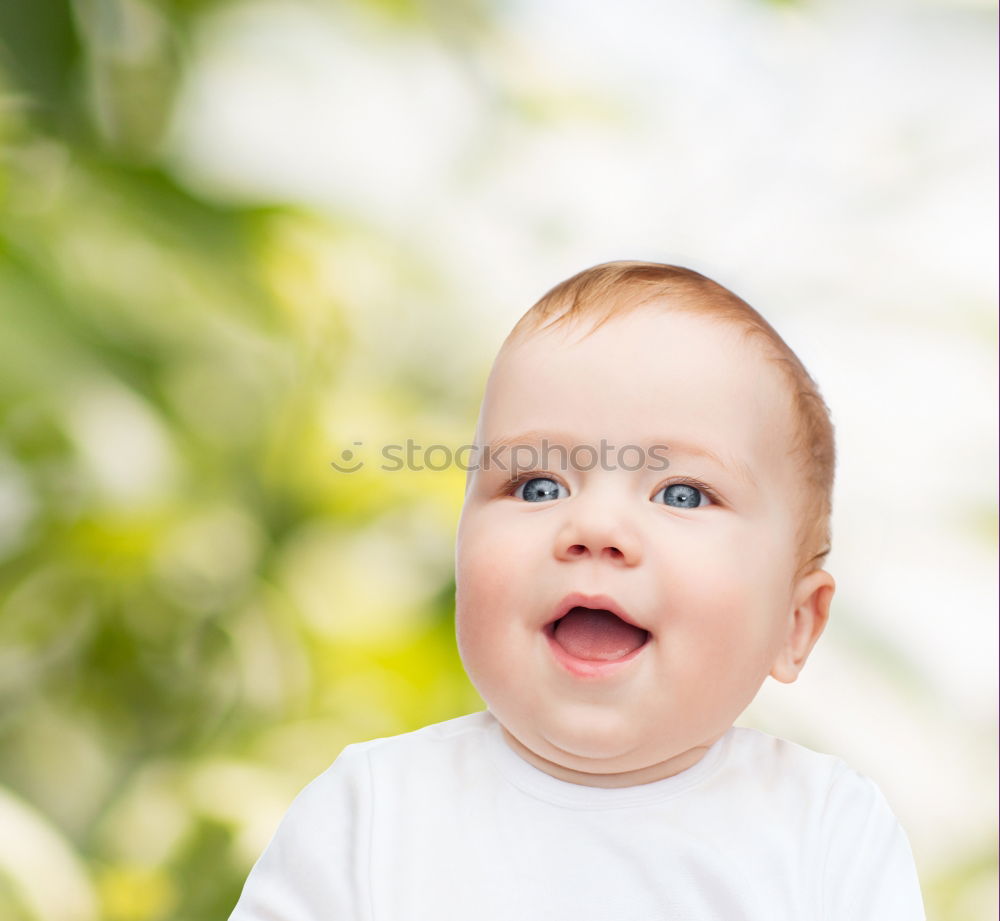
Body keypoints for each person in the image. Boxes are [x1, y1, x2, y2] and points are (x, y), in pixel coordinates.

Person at [229, 262, 925, 920]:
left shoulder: (826, 828)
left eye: (681, 493)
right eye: (537, 485)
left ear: (795, 622)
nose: (593, 526)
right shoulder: (371, 810)